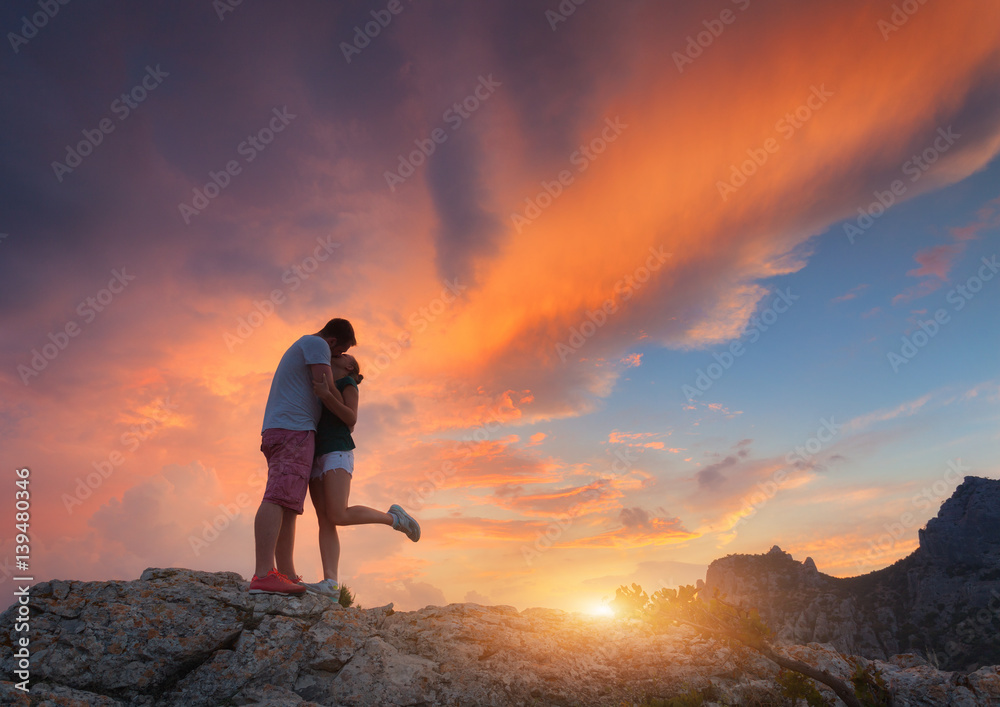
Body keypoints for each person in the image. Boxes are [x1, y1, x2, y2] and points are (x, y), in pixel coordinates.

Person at [249, 318, 356, 595]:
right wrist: (345, 405)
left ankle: (285, 573)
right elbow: (325, 385)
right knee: (276, 497)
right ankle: (264, 574)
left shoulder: (308, 344)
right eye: (338, 353)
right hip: (292, 430)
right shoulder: (317, 343)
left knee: (288, 504)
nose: (336, 359)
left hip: (288, 429)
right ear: (332, 342)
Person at [301, 352, 420, 600]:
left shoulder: (347, 383)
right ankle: (331, 584)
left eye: (344, 354)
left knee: (337, 514)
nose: (338, 354)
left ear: (349, 365)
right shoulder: (327, 382)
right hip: (315, 454)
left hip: (337, 450)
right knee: (326, 521)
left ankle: (394, 518)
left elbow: (350, 418)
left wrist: (325, 395)